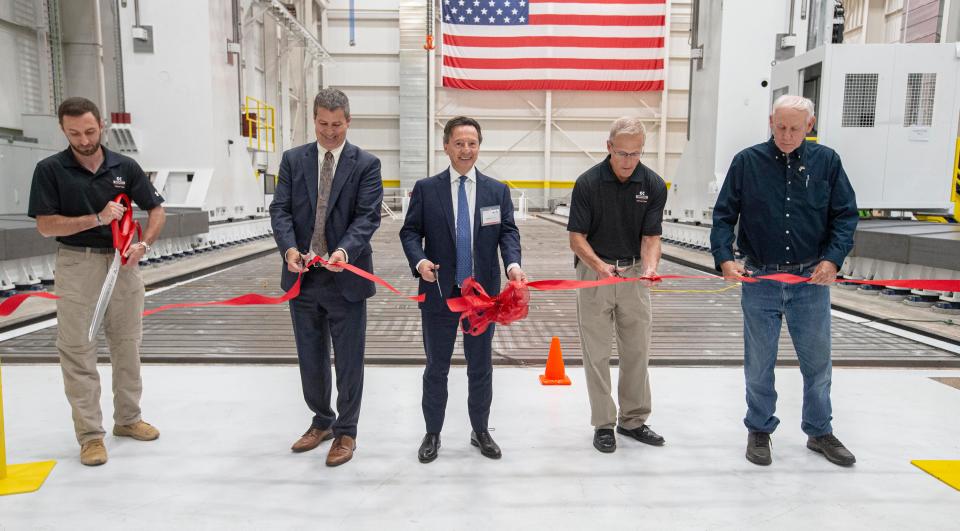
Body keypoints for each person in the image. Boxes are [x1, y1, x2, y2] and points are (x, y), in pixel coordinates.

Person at [710, 94, 859, 467]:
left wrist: (832, 260)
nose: (787, 135)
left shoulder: (827, 162)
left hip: (810, 281)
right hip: (760, 278)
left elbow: (845, 216)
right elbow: (723, 216)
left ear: (809, 126)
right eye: (780, 127)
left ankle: (819, 431)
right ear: (770, 122)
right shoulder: (747, 162)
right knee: (759, 362)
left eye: (795, 128)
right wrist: (725, 259)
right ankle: (759, 429)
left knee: (817, 363)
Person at [27, 96, 166, 466]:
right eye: (74, 133)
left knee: (126, 343)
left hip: (123, 264)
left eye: (89, 131)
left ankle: (129, 420)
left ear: (101, 125)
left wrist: (144, 244)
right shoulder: (50, 170)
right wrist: (97, 218)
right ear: (63, 129)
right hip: (78, 264)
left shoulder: (125, 166)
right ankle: (90, 436)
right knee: (78, 349)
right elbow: (45, 225)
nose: (84, 139)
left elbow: (156, 209)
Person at [399, 116, 524, 463]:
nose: (466, 150)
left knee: (480, 366)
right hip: (440, 294)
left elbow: (508, 234)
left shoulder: (496, 191)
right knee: (436, 367)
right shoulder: (427, 189)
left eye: (472, 143)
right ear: (446, 146)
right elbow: (409, 232)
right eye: (459, 143)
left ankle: (480, 430)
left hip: (482, 298)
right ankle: (432, 433)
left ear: (479, 146)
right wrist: (420, 261)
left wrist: (512, 265)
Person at [269, 88, 383, 467]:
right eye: (322, 124)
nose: (329, 132)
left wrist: (343, 252)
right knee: (310, 357)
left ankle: (346, 431)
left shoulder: (366, 164)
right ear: (313, 120)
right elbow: (280, 210)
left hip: (344, 278)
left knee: (349, 360)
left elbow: (368, 215)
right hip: (303, 278)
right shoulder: (292, 160)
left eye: (336, 124)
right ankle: (321, 420)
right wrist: (289, 250)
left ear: (348, 121)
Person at [566, 116, 668, 454]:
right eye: (622, 153)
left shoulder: (652, 184)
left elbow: (651, 236)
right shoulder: (588, 183)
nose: (628, 161)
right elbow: (576, 238)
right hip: (594, 274)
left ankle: (633, 420)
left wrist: (651, 268)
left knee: (637, 349)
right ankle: (604, 423)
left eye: (635, 154)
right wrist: (599, 267)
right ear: (609, 147)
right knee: (596, 353)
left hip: (634, 274)